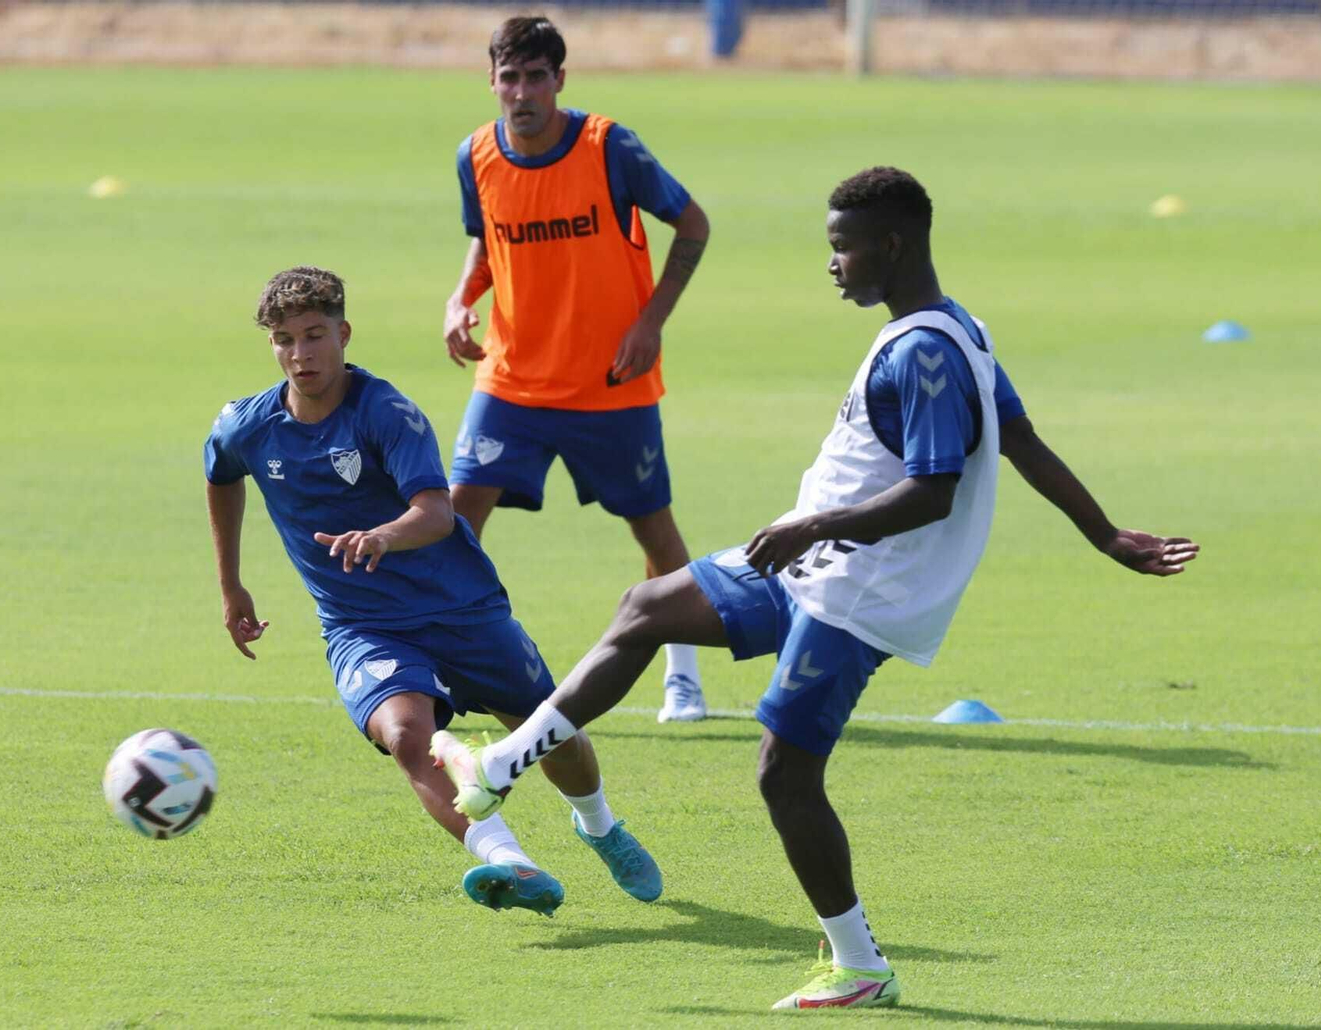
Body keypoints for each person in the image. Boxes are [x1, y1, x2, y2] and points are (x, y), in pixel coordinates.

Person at [431, 169, 1200, 1007]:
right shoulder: (956, 328)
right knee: (647, 608)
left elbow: (932, 491)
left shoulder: (928, 353)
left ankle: (861, 965)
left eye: (843, 247)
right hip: (815, 564)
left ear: (892, 246)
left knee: (783, 772)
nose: (832, 263)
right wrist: (1106, 534)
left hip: (858, 592)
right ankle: (504, 762)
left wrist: (813, 526)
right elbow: (1019, 436)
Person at [205, 266, 662, 917]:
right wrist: (232, 585)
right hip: (361, 623)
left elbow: (439, 513)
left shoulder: (386, 413)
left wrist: (384, 536)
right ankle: (512, 863)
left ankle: (599, 826)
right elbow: (220, 473)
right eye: (284, 340)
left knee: (550, 731)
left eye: (313, 335)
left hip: (461, 608)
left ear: (344, 333)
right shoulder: (248, 425)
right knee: (405, 736)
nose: (300, 354)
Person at [443, 16, 713, 723]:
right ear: (493, 80)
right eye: (510, 77)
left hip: (610, 383)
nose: (523, 91)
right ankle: (447, 658)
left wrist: (650, 322)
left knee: (653, 532)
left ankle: (681, 673)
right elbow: (487, 241)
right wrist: (459, 299)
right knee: (451, 520)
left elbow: (693, 224)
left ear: (561, 79)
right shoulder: (475, 156)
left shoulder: (608, 147)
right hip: (512, 381)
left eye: (537, 77)